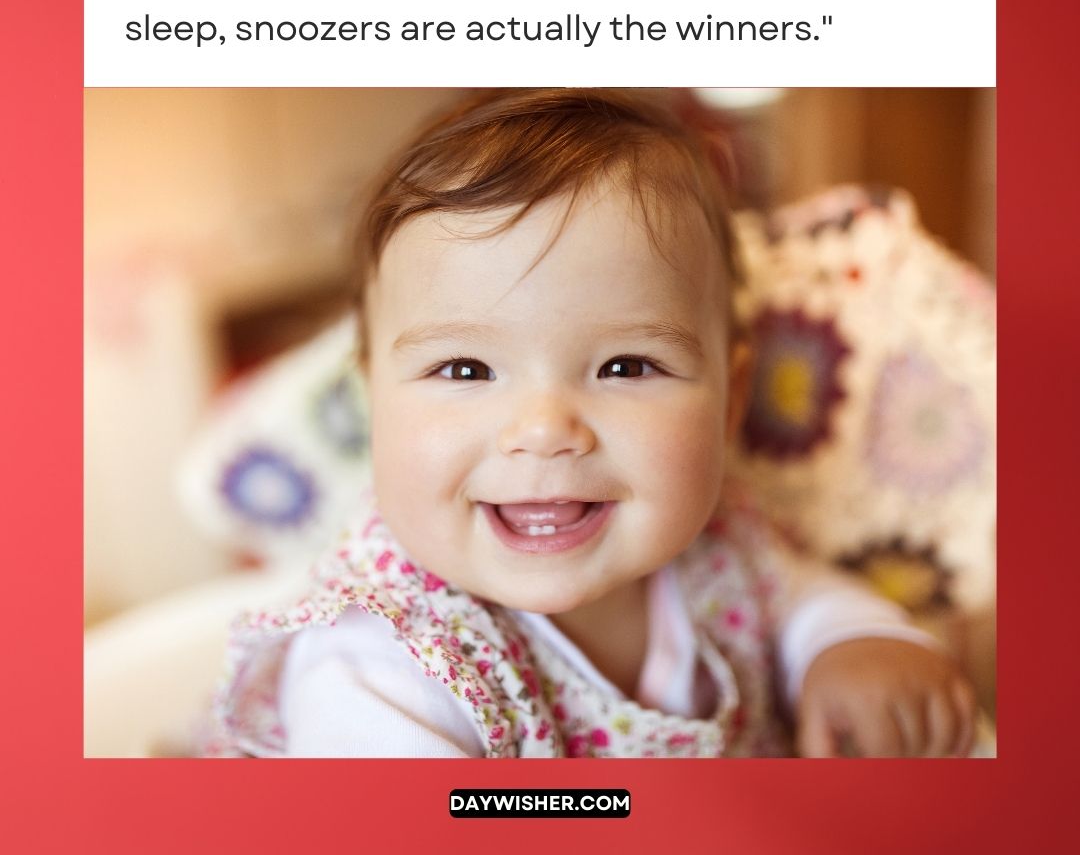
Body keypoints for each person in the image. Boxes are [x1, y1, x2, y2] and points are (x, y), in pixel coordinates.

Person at [209, 88, 976, 758]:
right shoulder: (379, 660)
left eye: (626, 367)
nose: (544, 429)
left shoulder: (719, 550)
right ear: (376, 400)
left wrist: (853, 645)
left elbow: (802, 598)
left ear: (731, 400)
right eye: (466, 370)